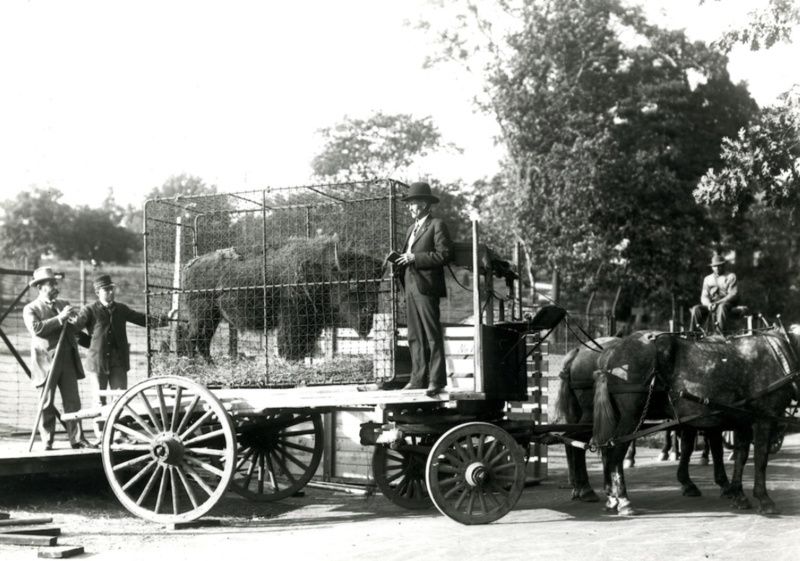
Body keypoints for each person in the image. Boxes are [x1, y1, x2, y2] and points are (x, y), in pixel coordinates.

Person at [74, 274, 177, 407]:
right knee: (99, 402)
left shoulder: (121, 309)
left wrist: (166, 318)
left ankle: (116, 428)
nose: (111, 292)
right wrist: (92, 344)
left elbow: (141, 319)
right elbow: (75, 330)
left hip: (118, 362)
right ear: (97, 292)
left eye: (112, 289)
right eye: (106, 290)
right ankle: (100, 428)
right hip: (97, 363)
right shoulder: (89, 310)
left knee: (120, 400)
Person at [22, 266, 93, 450]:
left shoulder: (63, 303)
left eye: (55, 283)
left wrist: (75, 322)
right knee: (46, 402)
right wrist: (60, 318)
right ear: (40, 287)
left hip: (67, 358)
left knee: (73, 401)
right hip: (46, 362)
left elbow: (74, 330)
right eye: (50, 284)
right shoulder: (30, 308)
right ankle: (47, 441)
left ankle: (77, 439)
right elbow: (37, 329)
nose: (54, 286)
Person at [394, 181, 453, 397]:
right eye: (409, 204)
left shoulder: (437, 225)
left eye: (414, 203)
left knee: (432, 335)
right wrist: (399, 261)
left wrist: (414, 257)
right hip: (409, 284)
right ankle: (417, 379)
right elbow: (408, 255)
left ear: (426, 204)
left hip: (427, 287)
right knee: (414, 336)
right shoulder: (411, 229)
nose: (410, 207)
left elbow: (445, 255)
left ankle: (436, 381)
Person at [690, 252, 739, 332]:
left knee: (722, 307)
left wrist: (718, 303)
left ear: (723, 266)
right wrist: (708, 304)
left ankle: (719, 335)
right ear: (712, 267)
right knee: (696, 309)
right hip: (712, 304)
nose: (717, 268)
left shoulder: (731, 276)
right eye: (715, 266)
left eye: (719, 266)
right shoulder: (707, 279)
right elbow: (704, 296)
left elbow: (733, 294)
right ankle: (693, 334)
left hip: (726, 303)